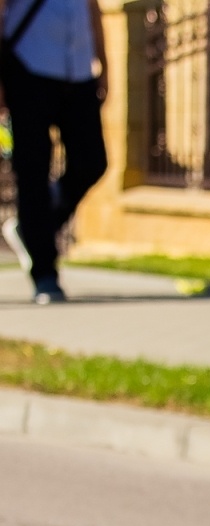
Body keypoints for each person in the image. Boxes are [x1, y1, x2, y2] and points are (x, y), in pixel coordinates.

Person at [0, 0, 108, 303]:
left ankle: (33, 230)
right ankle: (45, 275)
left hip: (79, 68)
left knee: (92, 161)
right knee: (33, 170)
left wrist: (103, 62)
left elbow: (93, 8)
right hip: (29, 65)